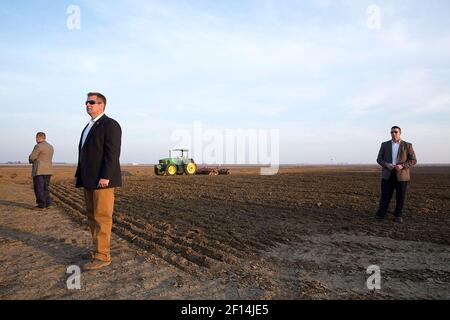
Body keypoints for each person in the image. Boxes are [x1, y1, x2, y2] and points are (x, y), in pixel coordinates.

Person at [75, 92, 122, 271]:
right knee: (91, 216)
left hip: (102, 181)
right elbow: (85, 154)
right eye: (87, 102)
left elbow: (112, 153)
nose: (88, 105)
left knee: (102, 217)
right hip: (88, 179)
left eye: (92, 102)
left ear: (102, 105)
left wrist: (106, 176)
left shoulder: (110, 125)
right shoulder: (88, 126)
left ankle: (103, 256)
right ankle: (97, 251)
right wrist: (80, 174)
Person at [375, 126, 417, 223]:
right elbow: (379, 159)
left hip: (402, 175)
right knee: (385, 195)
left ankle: (398, 215)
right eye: (392, 132)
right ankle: (381, 213)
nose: (393, 134)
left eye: (395, 132)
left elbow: (413, 160)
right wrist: (386, 164)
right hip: (387, 173)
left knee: (400, 196)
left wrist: (402, 165)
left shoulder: (407, 145)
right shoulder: (384, 145)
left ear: (400, 133)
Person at [29, 132, 54, 209]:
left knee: (38, 188)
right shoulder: (51, 146)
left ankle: (41, 205)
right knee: (45, 188)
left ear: (38, 137)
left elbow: (32, 157)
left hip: (39, 170)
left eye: (36, 138)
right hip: (48, 170)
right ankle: (48, 204)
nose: (36, 139)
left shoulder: (38, 146)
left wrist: (30, 159)